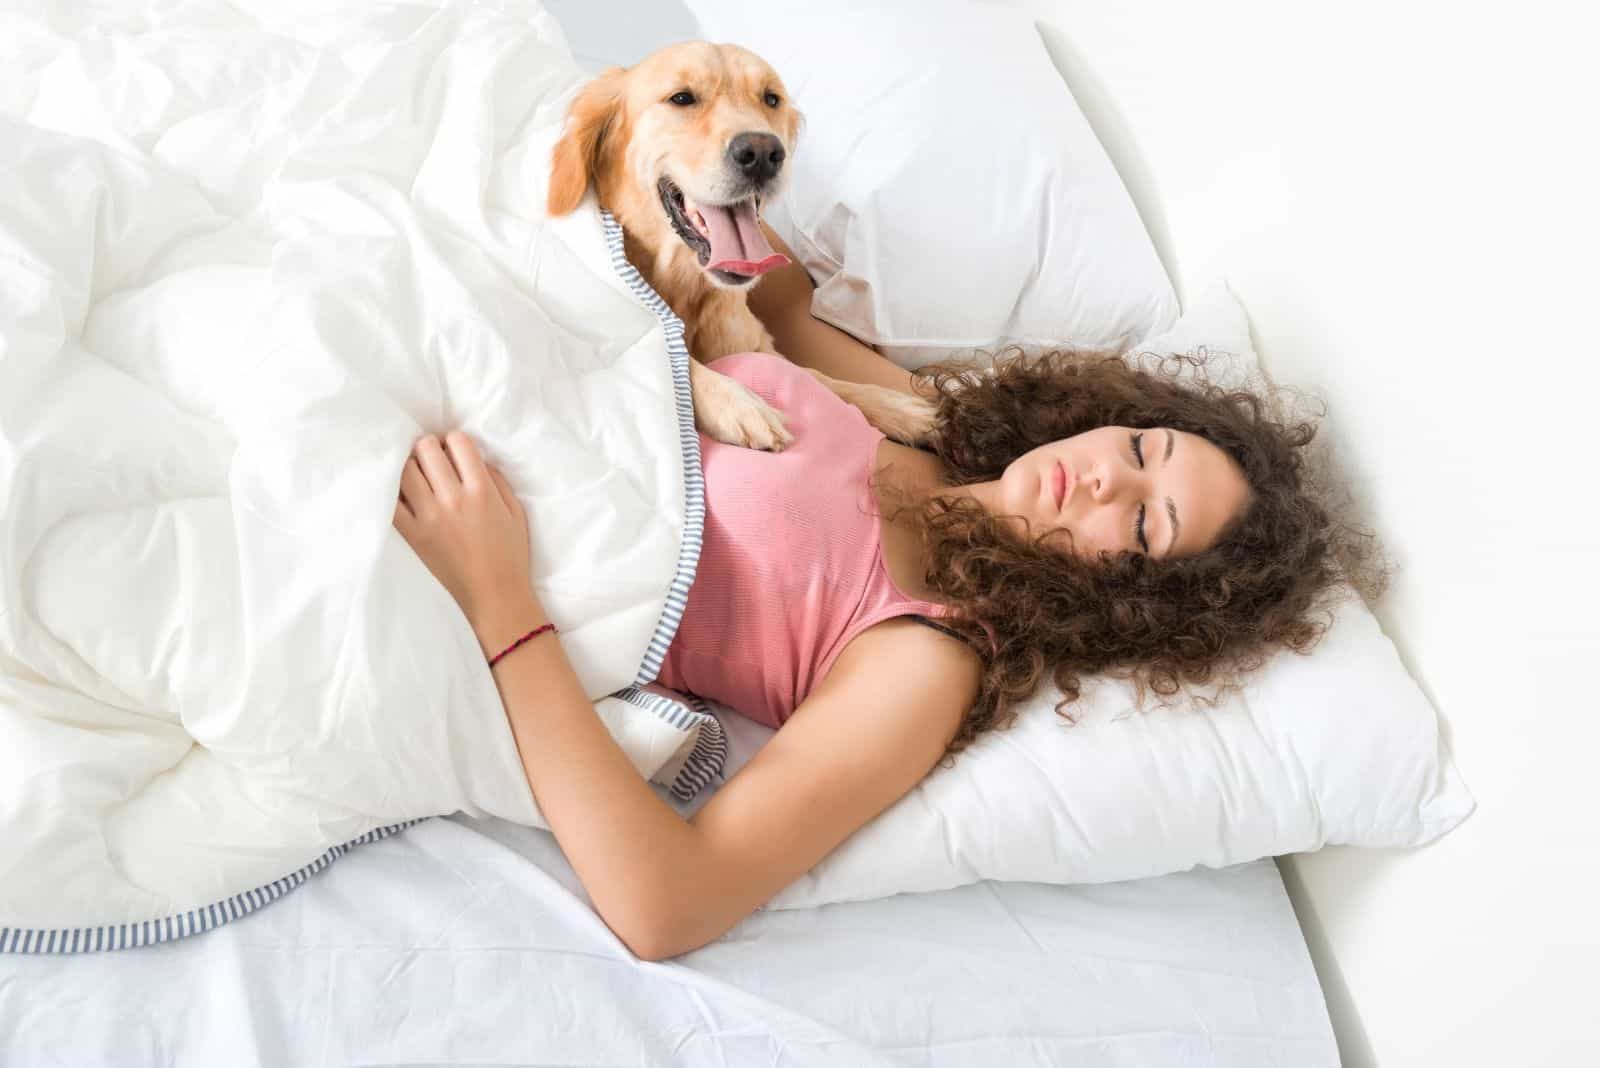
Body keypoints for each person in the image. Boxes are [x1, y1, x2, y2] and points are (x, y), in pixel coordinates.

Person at [391, 229, 1376, 962]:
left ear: (1130, 606)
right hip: (481, 391)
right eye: (1139, 447)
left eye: (1145, 524)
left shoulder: (925, 656)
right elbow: (766, 293)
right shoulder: (923, 431)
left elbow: (668, 905)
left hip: (444, 544)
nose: (1110, 481)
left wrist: (498, 603)